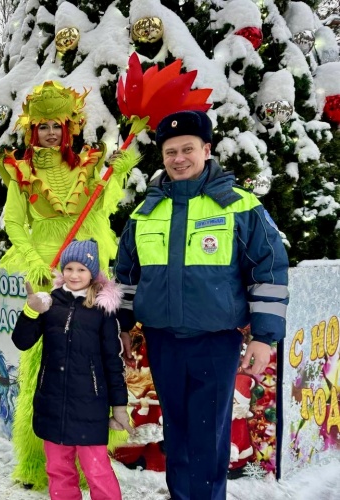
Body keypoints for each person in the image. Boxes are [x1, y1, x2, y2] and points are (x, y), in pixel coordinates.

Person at [114, 110, 290, 500]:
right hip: (163, 341)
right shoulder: (145, 213)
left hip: (215, 343)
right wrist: (122, 326)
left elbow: (270, 271)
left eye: (188, 149)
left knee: (208, 434)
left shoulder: (240, 207)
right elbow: (125, 277)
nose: (179, 158)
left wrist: (264, 338)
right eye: (170, 151)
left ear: (206, 150)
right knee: (175, 431)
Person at [0, 81, 137, 488]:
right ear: (32, 131)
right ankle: (41, 464)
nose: (50, 134)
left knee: (90, 356)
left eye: (57, 126)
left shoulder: (88, 164)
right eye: (42, 127)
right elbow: (15, 223)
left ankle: (90, 462)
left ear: (68, 128)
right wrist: (36, 262)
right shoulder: (20, 171)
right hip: (44, 268)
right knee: (42, 363)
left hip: (86, 267)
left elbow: (104, 204)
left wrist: (116, 173)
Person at [11, 239, 133, 500]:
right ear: (62, 270)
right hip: (52, 403)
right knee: (58, 469)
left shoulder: (102, 310)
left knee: (96, 470)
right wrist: (31, 312)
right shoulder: (50, 303)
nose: (74, 275)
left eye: (82, 269)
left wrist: (119, 406)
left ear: (92, 273)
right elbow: (22, 341)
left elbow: (113, 361)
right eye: (69, 268)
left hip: (90, 406)